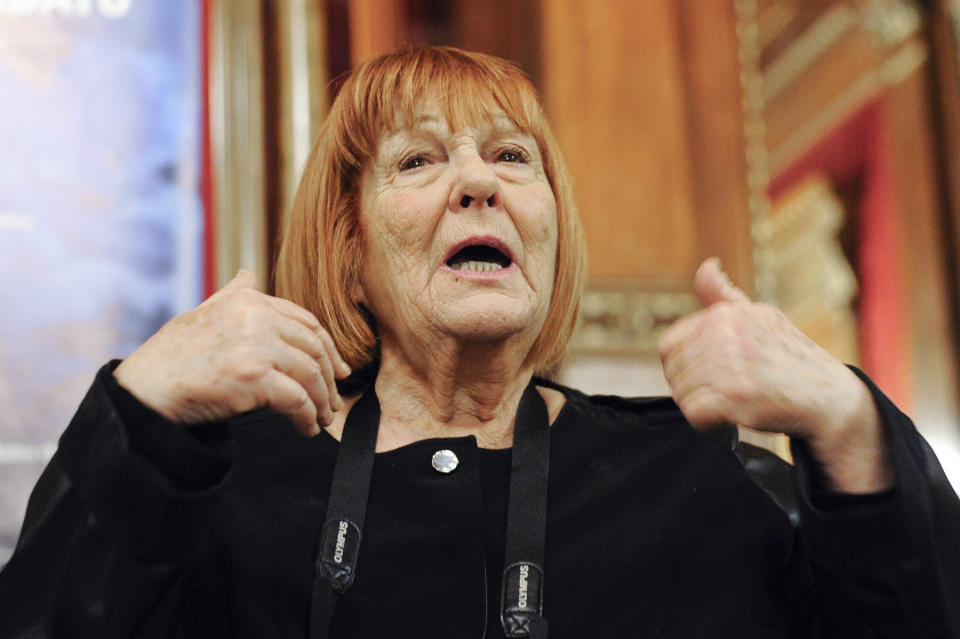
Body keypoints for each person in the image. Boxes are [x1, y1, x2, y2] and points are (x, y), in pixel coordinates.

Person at [1, 45, 958, 639]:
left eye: (511, 156)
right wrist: (142, 403)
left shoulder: (697, 474)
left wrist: (846, 417)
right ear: (352, 245)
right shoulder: (234, 490)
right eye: (419, 160)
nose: (478, 182)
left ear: (548, 226)